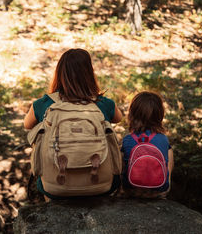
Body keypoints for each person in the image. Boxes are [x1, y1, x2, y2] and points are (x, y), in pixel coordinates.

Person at [24, 48, 122, 200]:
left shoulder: (44, 104)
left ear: (60, 73)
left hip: (54, 187)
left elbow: (27, 124)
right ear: (89, 74)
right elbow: (118, 118)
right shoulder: (104, 104)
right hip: (101, 186)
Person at [121, 91, 174, 198]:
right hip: (158, 191)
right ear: (160, 115)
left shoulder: (127, 139)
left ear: (132, 114)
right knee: (169, 150)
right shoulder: (163, 139)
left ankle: (122, 186)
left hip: (131, 189)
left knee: (122, 154)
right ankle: (166, 180)